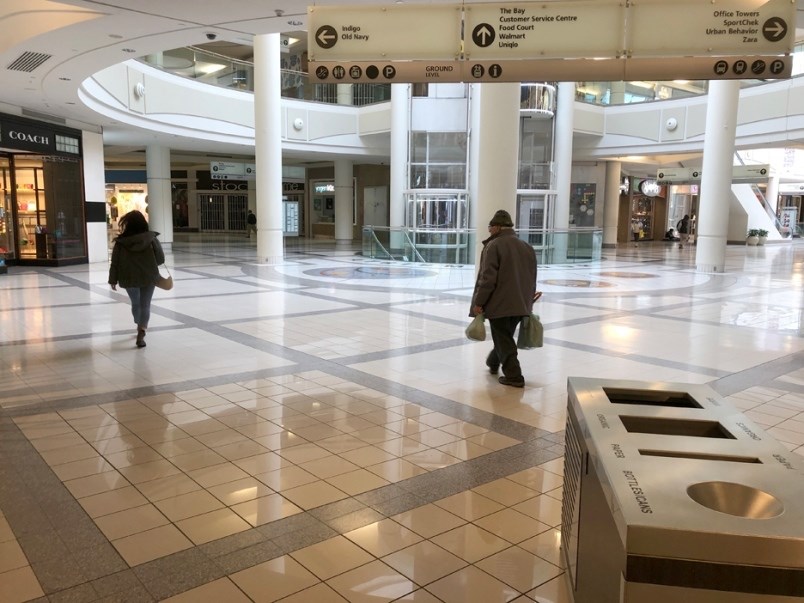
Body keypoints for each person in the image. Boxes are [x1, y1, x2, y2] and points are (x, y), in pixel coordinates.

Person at [470, 209, 537, 388]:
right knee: (504, 336)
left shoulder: (494, 246)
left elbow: (487, 279)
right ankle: (493, 361)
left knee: (503, 338)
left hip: (500, 304)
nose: (489, 230)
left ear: (498, 227)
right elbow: (532, 277)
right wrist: (529, 300)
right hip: (520, 303)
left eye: (490, 227)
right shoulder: (527, 247)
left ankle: (514, 376)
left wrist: (479, 303)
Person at [108, 210, 164, 348]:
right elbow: (161, 259)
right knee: (145, 305)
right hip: (149, 276)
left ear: (127, 224)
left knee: (136, 303)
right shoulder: (151, 239)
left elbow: (114, 263)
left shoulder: (121, 243)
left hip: (129, 277)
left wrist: (113, 280)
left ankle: (138, 322)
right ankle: (141, 331)